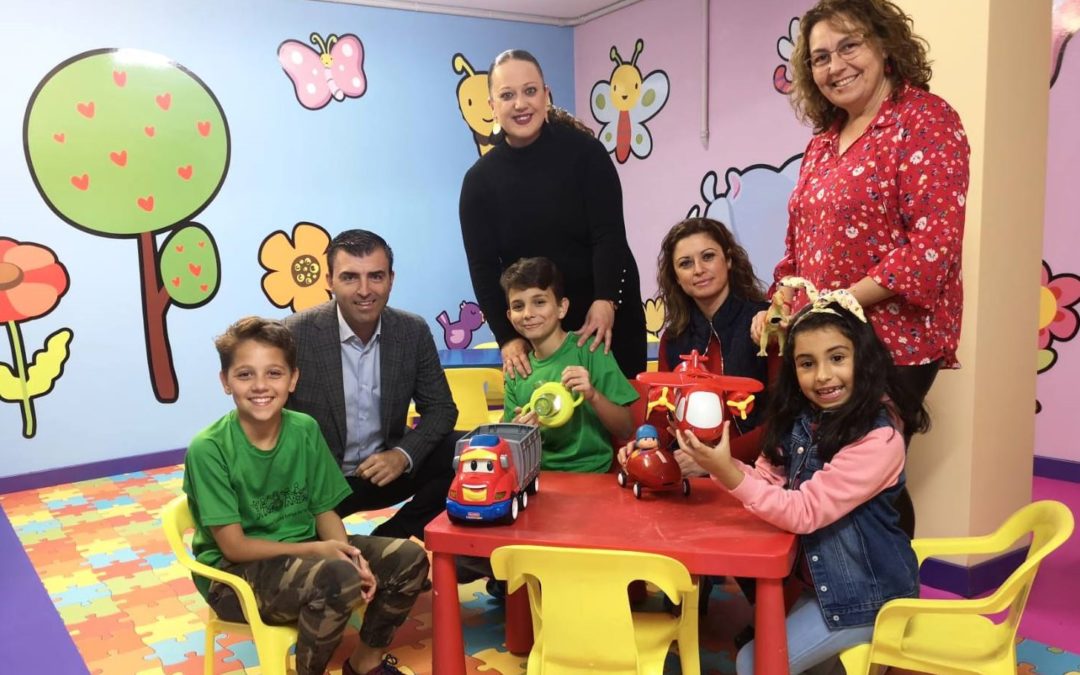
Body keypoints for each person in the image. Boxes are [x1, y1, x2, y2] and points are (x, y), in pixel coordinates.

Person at [752, 0, 970, 536]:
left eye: (849, 46)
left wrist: (838, 300)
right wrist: (778, 302)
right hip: (825, 337)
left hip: (895, 341)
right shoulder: (823, 142)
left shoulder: (925, 120)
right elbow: (798, 244)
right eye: (820, 57)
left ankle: (885, 604)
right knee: (816, 471)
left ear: (884, 46)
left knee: (869, 478)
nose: (835, 65)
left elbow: (933, 249)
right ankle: (829, 605)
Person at [679, 294, 929, 674]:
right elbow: (768, 478)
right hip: (825, 586)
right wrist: (718, 462)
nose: (824, 375)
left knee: (755, 663)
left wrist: (727, 473)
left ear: (864, 358)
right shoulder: (804, 418)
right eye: (807, 364)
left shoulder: (879, 439)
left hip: (868, 596)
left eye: (837, 358)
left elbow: (804, 512)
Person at [182, 317, 428, 675]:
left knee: (409, 558)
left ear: (293, 379)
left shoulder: (304, 429)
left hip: (306, 552)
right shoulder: (209, 449)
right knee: (336, 580)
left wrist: (351, 556)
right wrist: (319, 552)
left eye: (274, 373)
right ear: (225, 382)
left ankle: (365, 663)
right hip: (233, 580)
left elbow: (324, 509)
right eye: (245, 374)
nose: (261, 386)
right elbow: (234, 547)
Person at [459, 48, 647, 381]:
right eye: (507, 95)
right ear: (492, 106)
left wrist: (606, 301)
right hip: (538, 329)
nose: (520, 103)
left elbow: (609, 234)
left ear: (546, 95)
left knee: (623, 420)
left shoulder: (586, 153)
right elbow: (484, 268)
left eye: (530, 91)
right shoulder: (478, 183)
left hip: (605, 314)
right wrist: (507, 337)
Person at [284, 229, 459, 541]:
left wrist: (402, 455)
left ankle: (391, 537)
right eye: (350, 277)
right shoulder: (295, 334)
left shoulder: (412, 330)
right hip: (318, 486)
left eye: (375, 276)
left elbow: (442, 409)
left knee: (468, 452)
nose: (365, 290)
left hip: (385, 471)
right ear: (329, 280)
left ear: (391, 279)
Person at [651, 217, 778, 469]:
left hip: (758, 471)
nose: (698, 269)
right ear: (676, 277)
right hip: (690, 469)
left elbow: (783, 420)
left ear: (728, 260)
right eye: (685, 263)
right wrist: (646, 444)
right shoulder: (673, 337)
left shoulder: (767, 322)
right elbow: (660, 416)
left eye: (707, 256)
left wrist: (719, 462)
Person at [500, 257, 638, 471]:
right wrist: (518, 433)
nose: (528, 314)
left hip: (593, 477)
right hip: (537, 480)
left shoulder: (590, 351)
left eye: (539, 302)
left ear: (561, 308)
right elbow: (506, 445)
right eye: (518, 306)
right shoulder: (515, 370)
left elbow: (626, 428)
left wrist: (593, 395)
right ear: (510, 316)